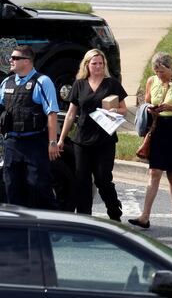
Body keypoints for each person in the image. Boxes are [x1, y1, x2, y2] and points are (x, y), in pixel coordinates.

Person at [58, 49, 128, 221]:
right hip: (82, 139)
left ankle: (114, 212)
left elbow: (124, 110)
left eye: (101, 63)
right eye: (94, 63)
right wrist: (60, 139)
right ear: (87, 65)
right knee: (82, 180)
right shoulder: (79, 84)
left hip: (105, 138)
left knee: (103, 179)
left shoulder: (112, 84)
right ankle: (84, 219)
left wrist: (114, 109)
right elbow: (71, 113)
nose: (98, 66)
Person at [0, 45, 60, 209]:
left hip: (35, 143)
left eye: (15, 58)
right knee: (12, 187)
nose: (10, 61)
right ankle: (18, 228)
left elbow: (51, 113)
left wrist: (52, 142)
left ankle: (50, 225)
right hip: (12, 143)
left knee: (39, 187)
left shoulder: (42, 81)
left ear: (27, 61)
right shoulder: (7, 82)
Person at [128, 52, 172, 230]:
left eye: (162, 71)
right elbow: (146, 102)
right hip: (157, 128)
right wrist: (150, 109)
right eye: (156, 71)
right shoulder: (151, 81)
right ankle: (145, 216)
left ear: (170, 69)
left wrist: (171, 107)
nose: (159, 75)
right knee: (154, 171)